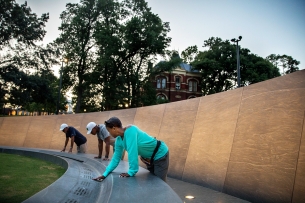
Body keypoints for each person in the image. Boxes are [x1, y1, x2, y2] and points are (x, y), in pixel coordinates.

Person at [93, 117, 169, 182]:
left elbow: (132, 152)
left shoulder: (131, 130)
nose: (109, 134)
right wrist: (105, 174)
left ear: (114, 128)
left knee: (159, 182)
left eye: (109, 131)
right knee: (153, 180)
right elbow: (116, 158)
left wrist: (131, 172)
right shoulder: (119, 140)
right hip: (148, 159)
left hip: (160, 153)